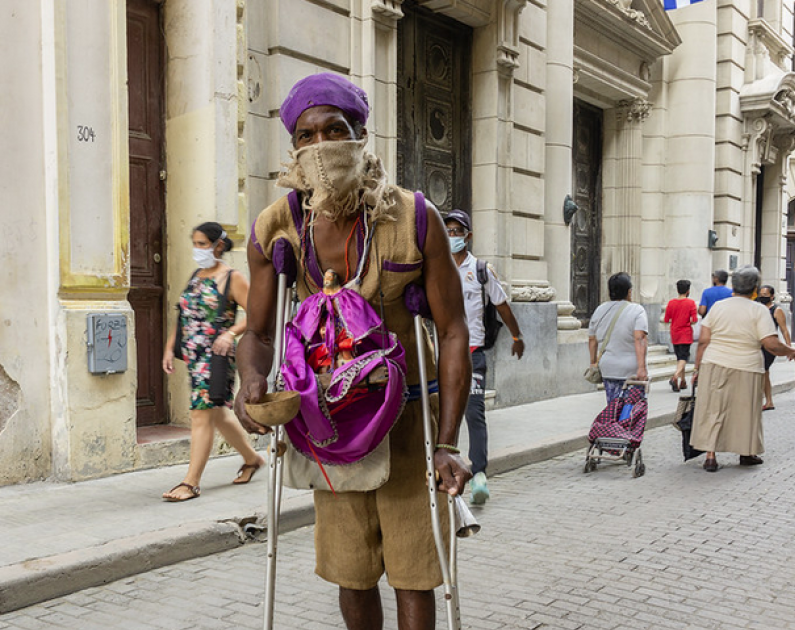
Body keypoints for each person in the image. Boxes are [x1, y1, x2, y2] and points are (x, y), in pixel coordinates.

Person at [234, 73, 471, 630]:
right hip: (329, 425)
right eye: (307, 136)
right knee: (352, 570)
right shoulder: (275, 228)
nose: (321, 147)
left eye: (335, 131)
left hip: (409, 419)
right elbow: (259, 331)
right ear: (294, 146)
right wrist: (250, 382)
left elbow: (454, 329)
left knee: (415, 570)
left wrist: (448, 442)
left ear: (361, 135)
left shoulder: (413, 218)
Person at [161, 222, 265, 501]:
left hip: (217, 358)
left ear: (219, 245)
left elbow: (256, 313)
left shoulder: (233, 278)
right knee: (216, 413)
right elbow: (182, 314)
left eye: (202, 244)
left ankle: (190, 482)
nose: (198, 250)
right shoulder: (196, 275)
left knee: (201, 414)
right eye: (195, 244)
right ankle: (252, 459)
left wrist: (230, 333)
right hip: (195, 358)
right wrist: (170, 349)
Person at [443, 209, 524, 506]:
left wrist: (517, 336)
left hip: (473, 354)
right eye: (448, 231)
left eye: (457, 231)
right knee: (443, 415)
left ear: (468, 236)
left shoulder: (480, 270)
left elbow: (502, 306)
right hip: (444, 356)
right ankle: (446, 470)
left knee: (474, 414)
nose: (452, 236)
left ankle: (479, 475)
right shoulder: (437, 268)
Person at [692, 267, 795, 472]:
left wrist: (697, 368)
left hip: (714, 362)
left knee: (713, 408)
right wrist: (791, 350)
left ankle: (710, 455)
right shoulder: (758, 310)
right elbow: (770, 343)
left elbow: (704, 341)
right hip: (746, 366)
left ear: (733, 285)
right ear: (755, 288)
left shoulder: (718, 307)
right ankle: (746, 453)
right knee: (745, 411)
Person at [588, 273, 649, 403]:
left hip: (608, 368)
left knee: (613, 409)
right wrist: (642, 368)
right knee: (631, 413)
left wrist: (593, 362)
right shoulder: (637, 310)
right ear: (629, 292)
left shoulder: (599, 310)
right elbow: (639, 338)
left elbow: (592, 340)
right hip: (631, 370)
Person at [756, 285, 791, 411]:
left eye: (765, 295)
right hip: (756, 344)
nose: (762, 297)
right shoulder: (757, 308)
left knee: (764, 371)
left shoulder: (776, 310)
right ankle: (767, 400)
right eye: (761, 294)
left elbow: (784, 330)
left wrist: (789, 349)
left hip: (769, 346)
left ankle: (767, 400)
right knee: (762, 373)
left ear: (772, 296)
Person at [663, 279, 698, 392]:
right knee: (684, 357)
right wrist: (688, 321)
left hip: (674, 332)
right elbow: (694, 319)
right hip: (685, 333)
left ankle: (682, 382)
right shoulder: (690, 303)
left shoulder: (671, 303)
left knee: (679, 358)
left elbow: (666, 319)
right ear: (688, 291)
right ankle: (675, 377)